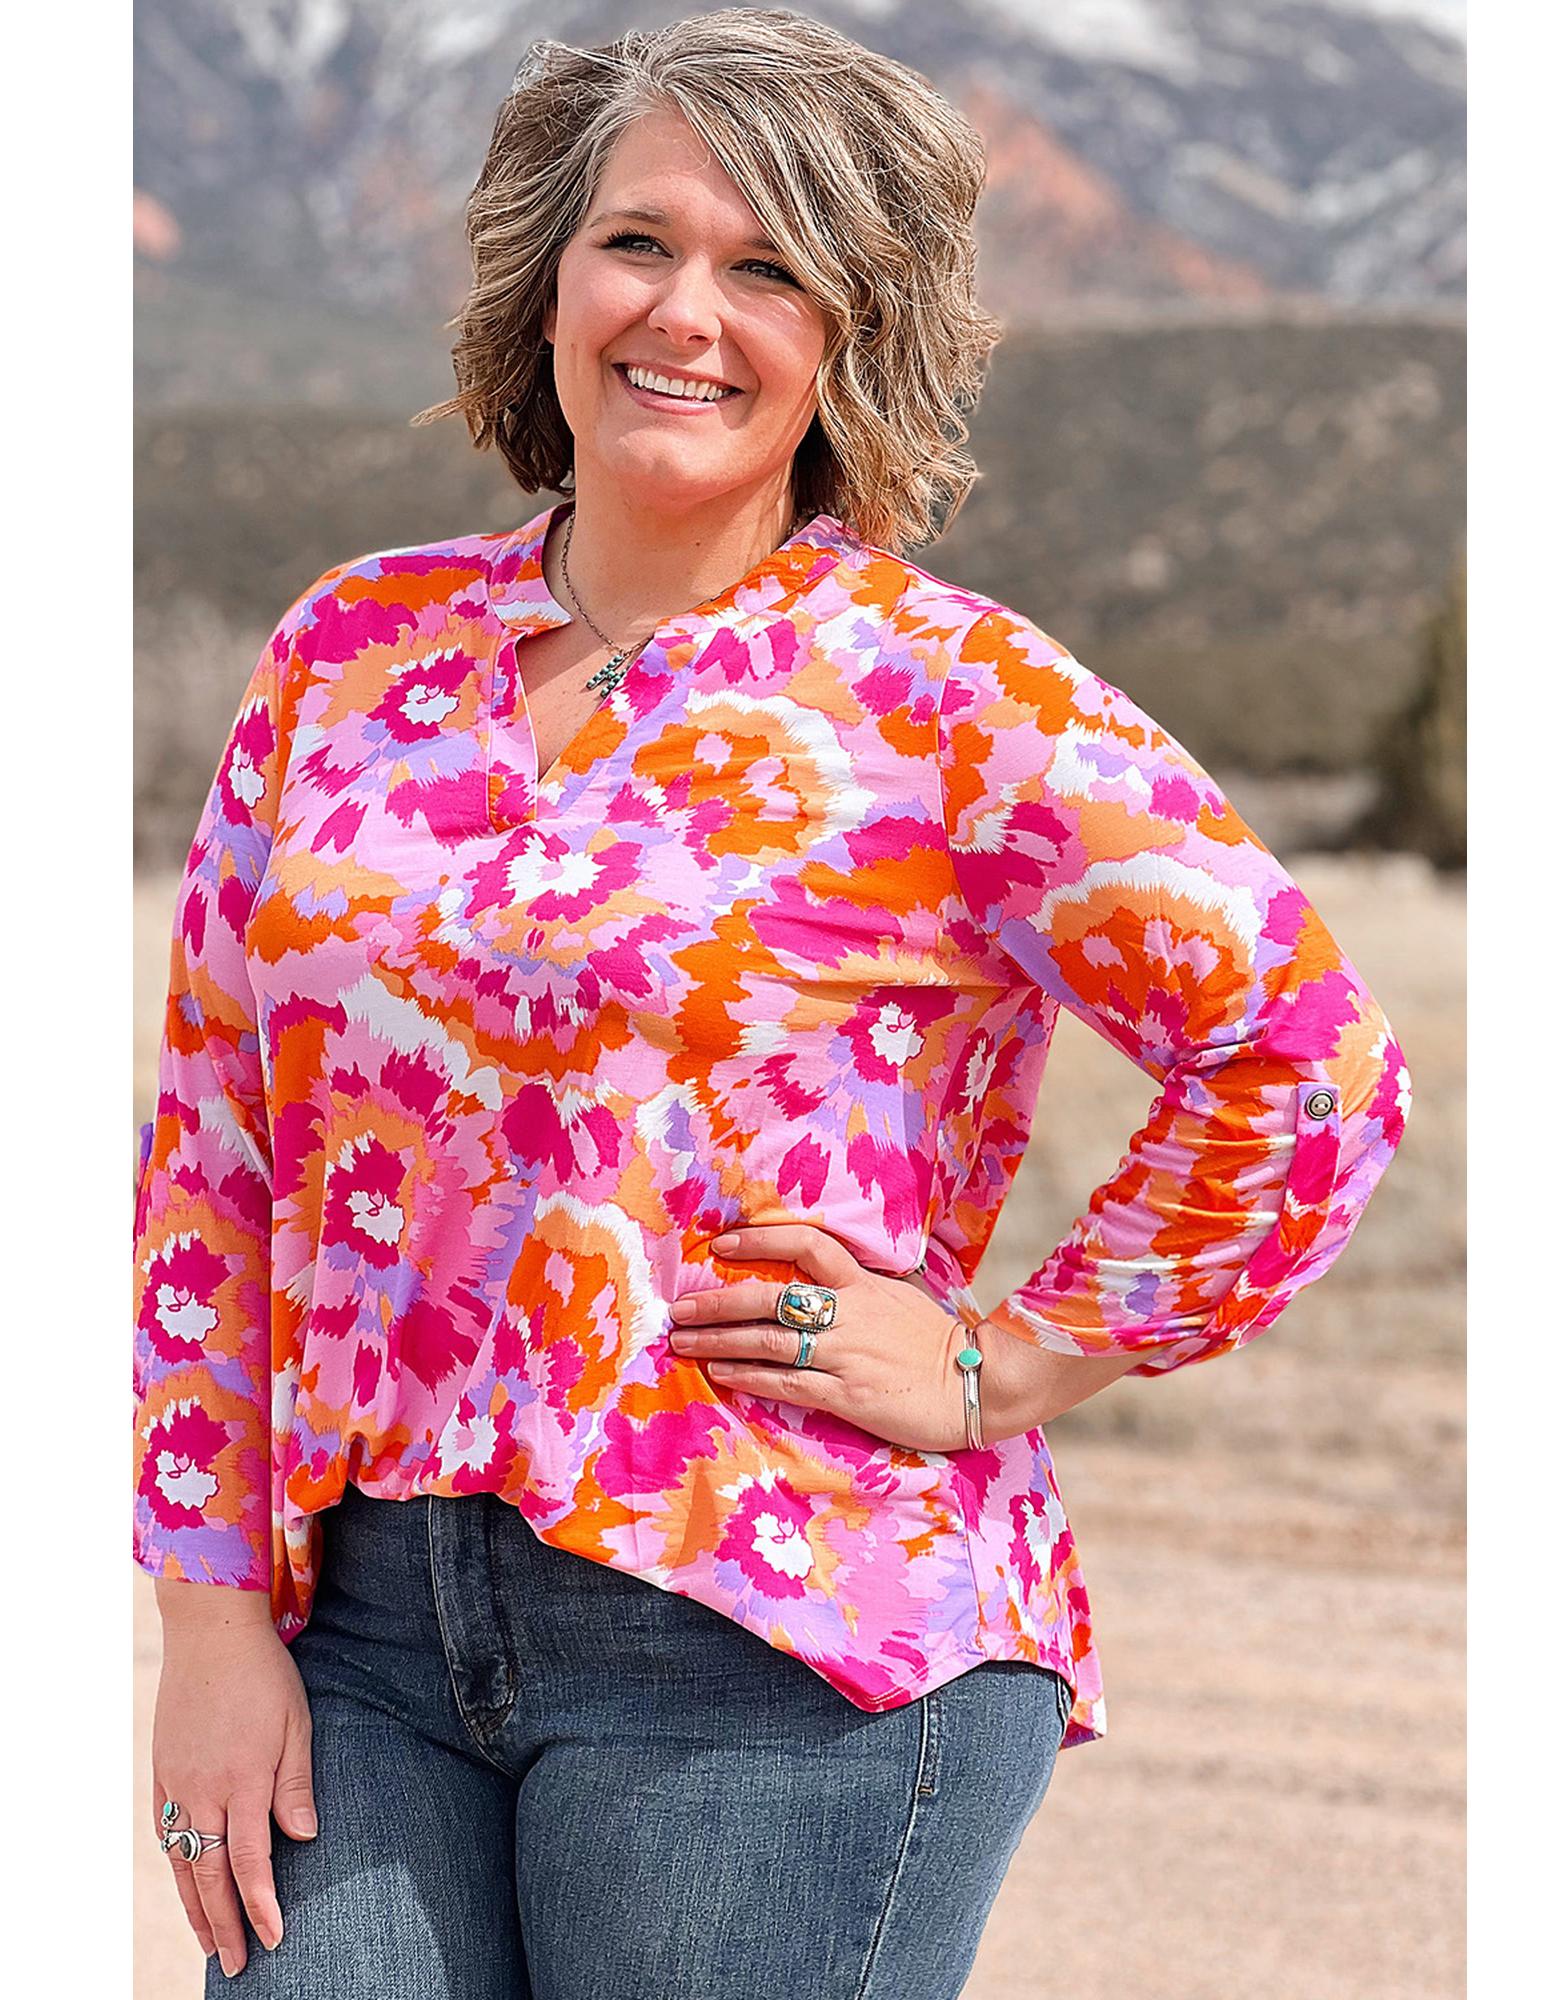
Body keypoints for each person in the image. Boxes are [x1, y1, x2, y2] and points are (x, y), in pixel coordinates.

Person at [133, 11, 1411, 1996]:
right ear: (548, 275)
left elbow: (1310, 1062)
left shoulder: (947, 696)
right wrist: (209, 1621)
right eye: (637, 241)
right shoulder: (350, 653)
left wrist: (1006, 1364)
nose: (686, 313)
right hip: (363, 1639)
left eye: (770, 269)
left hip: (779, 1634)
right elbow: (214, 1147)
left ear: (851, 335)